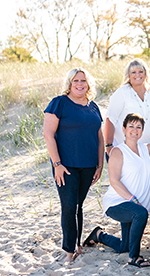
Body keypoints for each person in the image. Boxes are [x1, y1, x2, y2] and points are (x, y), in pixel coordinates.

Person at [83, 113, 150, 267]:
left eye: (138, 127)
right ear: (123, 129)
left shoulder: (145, 148)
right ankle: (134, 258)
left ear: (142, 131)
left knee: (125, 246)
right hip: (119, 202)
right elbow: (114, 181)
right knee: (140, 213)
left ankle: (99, 235)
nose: (134, 130)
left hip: (134, 205)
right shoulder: (118, 152)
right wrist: (133, 200)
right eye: (131, 126)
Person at [43, 68, 104, 263]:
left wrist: (100, 165)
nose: (80, 84)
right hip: (66, 166)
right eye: (75, 80)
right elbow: (48, 134)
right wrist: (57, 164)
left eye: (83, 81)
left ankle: (77, 244)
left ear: (88, 84)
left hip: (88, 166)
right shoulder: (59, 103)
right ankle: (69, 251)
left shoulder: (93, 107)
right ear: (69, 83)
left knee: (79, 205)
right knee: (69, 206)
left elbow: (99, 138)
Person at [104, 58, 150, 159]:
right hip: (125, 150)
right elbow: (110, 119)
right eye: (133, 72)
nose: (137, 75)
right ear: (128, 76)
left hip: (148, 151)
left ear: (145, 74)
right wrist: (108, 145)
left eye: (140, 72)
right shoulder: (122, 93)